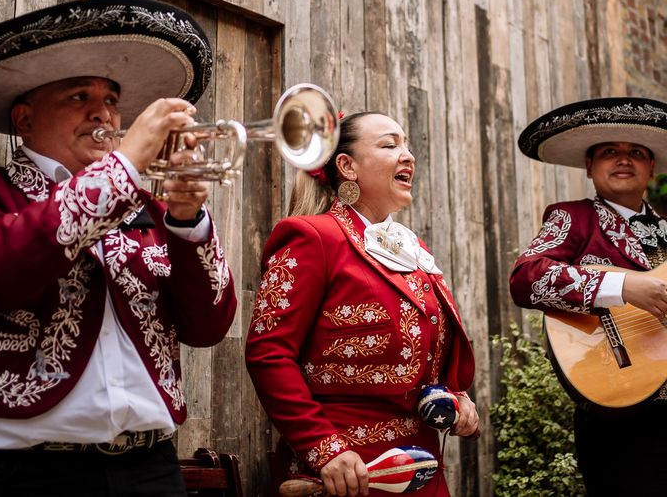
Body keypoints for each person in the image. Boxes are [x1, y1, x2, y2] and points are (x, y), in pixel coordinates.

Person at [0, 0, 237, 497]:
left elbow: (207, 327)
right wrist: (122, 166)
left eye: (111, 100)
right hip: (10, 474)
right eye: (79, 96)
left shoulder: (150, 209)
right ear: (25, 120)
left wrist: (188, 220)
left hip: (149, 469)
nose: (103, 112)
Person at [245, 111, 478, 497]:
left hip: (422, 469)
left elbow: (428, 353)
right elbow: (268, 353)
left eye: (406, 144)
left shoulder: (411, 248)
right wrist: (324, 448)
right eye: (390, 145)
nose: (408, 156)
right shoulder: (312, 237)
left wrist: (457, 397)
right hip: (343, 473)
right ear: (347, 166)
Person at [510, 96, 667, 497]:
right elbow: (527, 278)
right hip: (618, 412)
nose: (623, 159)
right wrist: (622, 287)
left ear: (652, 166)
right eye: (609, 151)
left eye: (636, 152)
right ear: (589, 166)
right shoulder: (574, 217)